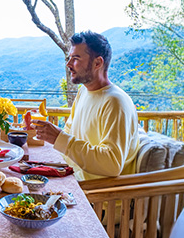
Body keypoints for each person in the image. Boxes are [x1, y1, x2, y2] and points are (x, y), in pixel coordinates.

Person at [33, 31, 139, 181]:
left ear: (98, 63)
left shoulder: (115, 102)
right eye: (69, 58)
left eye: (76, 58)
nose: (68, 65)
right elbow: (69, 134)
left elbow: (112, 164)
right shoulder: (83, 92)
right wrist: (47, 138)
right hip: (73, 178)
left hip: (98, 192)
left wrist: (59, 138)